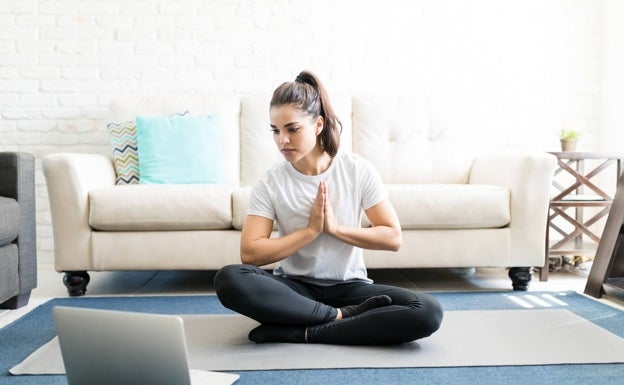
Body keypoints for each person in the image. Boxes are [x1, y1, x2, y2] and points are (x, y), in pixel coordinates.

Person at [214, 70, 443, 345]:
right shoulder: (271, 182)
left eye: (292, 129)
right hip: (294, 289)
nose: (282, 141)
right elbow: (250, 253)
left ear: (318, 125)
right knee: (229, 279)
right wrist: (311, 231)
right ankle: (338, 318)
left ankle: (305, 330)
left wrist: (334, 229)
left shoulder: (357, 170)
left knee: (427, 311)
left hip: (349, 288)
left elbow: (392, 237)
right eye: (275, 131)